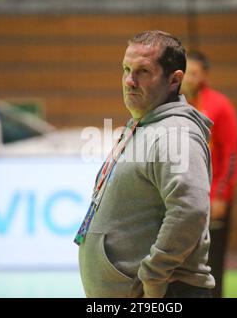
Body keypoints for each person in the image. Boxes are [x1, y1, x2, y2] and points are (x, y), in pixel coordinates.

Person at [75, 30, 215, 298]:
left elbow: (190, 210)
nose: (129, 80)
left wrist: (153, 275)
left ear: (174, 80)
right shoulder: (146, 125)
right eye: (126, 69)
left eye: (143, 71)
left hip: (163, 294)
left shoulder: (176, 133)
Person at [181, 51, 237, 298]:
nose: (190, 78)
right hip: (183, 199)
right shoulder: (172, 105)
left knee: (212, 263)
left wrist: (220, 195)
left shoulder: (220, 105)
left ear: (204, 75)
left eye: (195, 73)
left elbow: (232, 154)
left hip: (212, 199)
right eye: (186, 73)